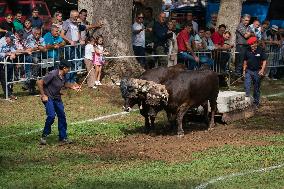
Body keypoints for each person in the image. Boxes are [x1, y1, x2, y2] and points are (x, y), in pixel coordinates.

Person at [37, 59, 81, 145]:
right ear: (64, 68)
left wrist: (73, 87)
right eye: (68, 68)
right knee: (51, 116)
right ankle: (44, 135)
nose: (69, 70)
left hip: (57, 98)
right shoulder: (53, 74)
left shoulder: (63, 76)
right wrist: (43, 95)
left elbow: (64, 84)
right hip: (48, 97)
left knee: (62, 116)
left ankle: (63, 137)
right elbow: (39, 82)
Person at [243, 36, 267, 108]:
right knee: (247, 85)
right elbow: (245, 61)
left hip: (257, 71)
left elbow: (264, 60)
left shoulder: (260, 50)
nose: (251, 46)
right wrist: (244, 70)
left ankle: (256, 103)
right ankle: (246, 101)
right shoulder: (247, 50)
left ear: (256, 43)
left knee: (256, 87)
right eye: (250, 45)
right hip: (249, 71)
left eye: (252, 44)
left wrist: (262, 70)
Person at [0, 32, 17, 100]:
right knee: (3, 78)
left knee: (4, 78)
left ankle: (8, 93)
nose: (12, 40)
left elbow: (13, 50)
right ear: (6, 38)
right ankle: (8, 93)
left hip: (3, 62)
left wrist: (13, 53)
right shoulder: (1, 43)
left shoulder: (11, 42)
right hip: (1, 61)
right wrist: (7, 54)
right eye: (11, 39)